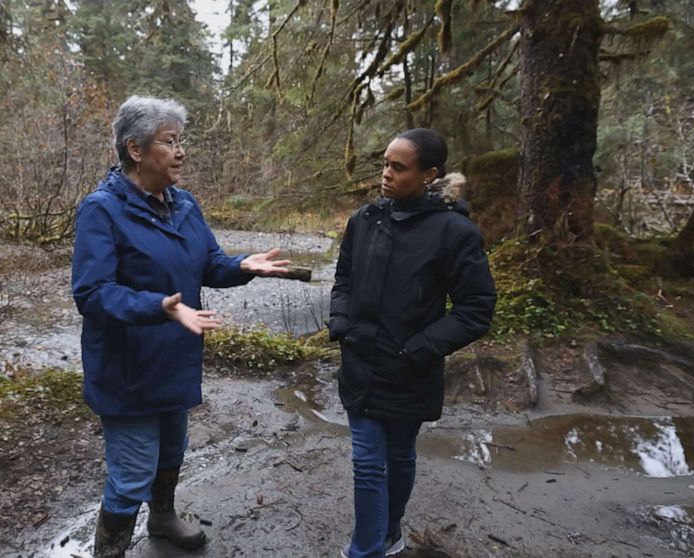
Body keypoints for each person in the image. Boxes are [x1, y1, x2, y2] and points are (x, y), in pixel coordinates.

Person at [71, 95, 291, 558]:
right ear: (135, 149)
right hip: (127, 367)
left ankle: (164, 518)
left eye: (180, 141)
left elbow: (208, 265)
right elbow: (91, 294)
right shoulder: (102, 210)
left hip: (176, 357)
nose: (181, 151)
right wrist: (161, 306)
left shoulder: (184, 203)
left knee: (172, 451)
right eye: (170, 142)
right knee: (131, 473)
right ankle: (108, 552)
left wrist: (242, 266)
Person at [328, 128, 496, 558]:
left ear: (429, 175)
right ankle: (364, 550)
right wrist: (342, 324)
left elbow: (475, 308)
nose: (385, 174)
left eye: (398, 167)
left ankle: (390, 532)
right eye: (384, 163)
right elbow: (343, 279)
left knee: (400, 456)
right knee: (368, 463)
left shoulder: (454, 232)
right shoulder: (364, 220)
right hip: (361, 362)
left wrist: (420, 348)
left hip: (410, 369)